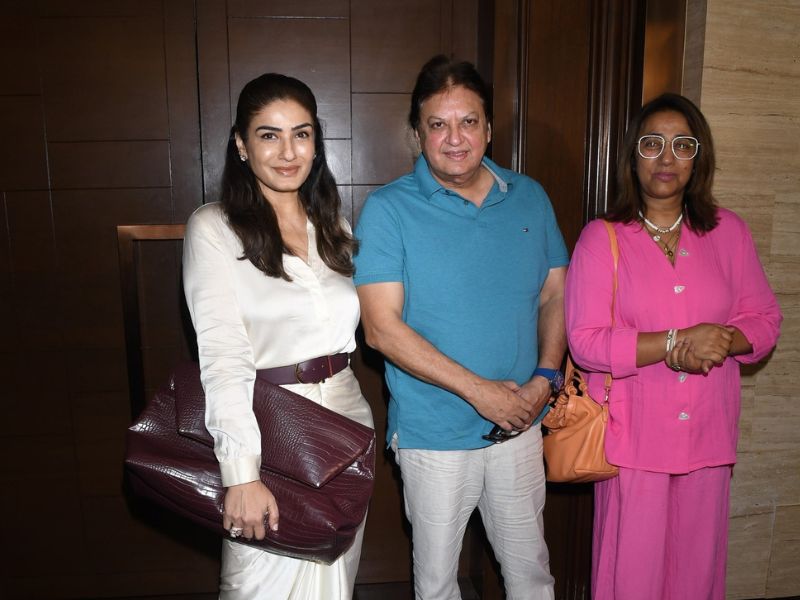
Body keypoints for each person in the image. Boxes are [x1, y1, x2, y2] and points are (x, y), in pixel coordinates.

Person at [353, 55, 566, 600]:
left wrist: (546, 378)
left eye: (468, 121)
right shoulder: (388, 209)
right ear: (417, 133)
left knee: (532, 575)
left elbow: (556, 293)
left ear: (488, 128)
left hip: (521, 422)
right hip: (434, 434)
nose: (455, 138)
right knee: (437, 585)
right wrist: (481, 393)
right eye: (438, 124)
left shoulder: (529, 196)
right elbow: (380, 329)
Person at [565, 93, 782, 600]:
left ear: (698, 158)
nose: (667, 158)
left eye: (683, 145)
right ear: (632, 155)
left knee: (696, 579)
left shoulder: (729, 232)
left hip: (708, 437)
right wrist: (674, 343)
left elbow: (765, 320)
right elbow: (585, 341)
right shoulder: (602, 238)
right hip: (633, 442)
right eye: (652, 144)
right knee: (632, 580)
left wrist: (721, 341)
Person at [182, 73, 373, 599]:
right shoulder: (214, 228)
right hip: (267, 430)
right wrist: (240, 473)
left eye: (301, 134)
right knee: (256, 585)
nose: (288, 152)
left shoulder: (333, 226)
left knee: (335, 583)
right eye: (269, 135)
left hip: (346, 426)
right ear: (242, 145)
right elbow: (222, 356)